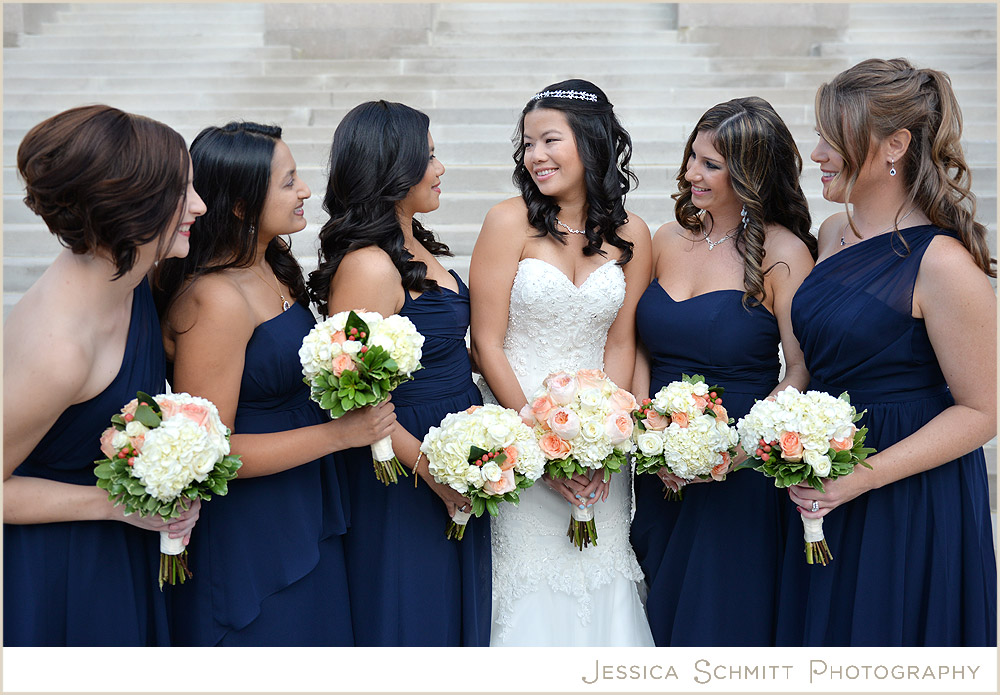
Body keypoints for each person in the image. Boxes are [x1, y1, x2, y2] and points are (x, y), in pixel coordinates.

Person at [777, 58, 997, 646]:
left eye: (832, 137)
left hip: (907, 494)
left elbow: (982, 412)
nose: (817, 153)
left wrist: (860, 479)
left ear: (895, 143)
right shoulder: (830, 234)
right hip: (821, 475)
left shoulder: (944, 266)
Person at [156, 121, 395, 646]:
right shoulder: (214, 299)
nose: (306, 190)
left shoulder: (276, 268)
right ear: (241, 205)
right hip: (255, 526)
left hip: (307, 496)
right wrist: (339, 435)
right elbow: (211, 452)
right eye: (288, 182)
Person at [3, 104, 205, 646]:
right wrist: (118, 505)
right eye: (182, 192)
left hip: (116, 548)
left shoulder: (128, 273)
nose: (199, 205)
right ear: (132, 207)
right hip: (61, 568)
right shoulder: (60, 349)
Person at [469, 79, 655, 646]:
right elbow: (487, 342)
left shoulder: (633, 235)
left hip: (600, 440)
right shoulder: (507, 222)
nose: (535, 157)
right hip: (517, 428)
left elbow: (622, 344)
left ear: (592, 144)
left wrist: (603, 441)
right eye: (527, 144)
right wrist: (539, 440)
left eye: (549, 140)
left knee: (601, 574)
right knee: (528, 585)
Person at [628, 97, 817, 646]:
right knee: (658, 612)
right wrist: (647, 432)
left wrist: (735, 449)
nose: (692, 173)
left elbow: (801, 367)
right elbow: (638, 346)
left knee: (720, 621)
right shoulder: (664, 240)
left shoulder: (783, 252)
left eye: (711, 163)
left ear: (751, 171)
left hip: (739, 467)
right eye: (692, 157)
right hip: (659, 465)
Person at [307, 100, 491, 646]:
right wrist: (433, 471)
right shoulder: (367, 264)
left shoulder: (415, 242)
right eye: (429, 157)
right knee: (412, 613)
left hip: (455, 446)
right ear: (392, 170)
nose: (440, 170)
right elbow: (354, 395)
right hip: (405, 463)